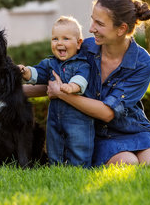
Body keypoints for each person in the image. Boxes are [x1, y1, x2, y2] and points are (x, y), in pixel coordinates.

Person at [23, 0, 150, 166]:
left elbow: (107, 112)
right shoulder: (84, 48)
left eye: (99, 23)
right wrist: (6, 92)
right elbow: (55, 81)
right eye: (92, 20)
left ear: (121, 29)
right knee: (128, 163)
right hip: (95, 132)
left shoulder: (143, 63)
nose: (91, 28)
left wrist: (62, 94)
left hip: (134, 129)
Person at [18, 16, 94, 167]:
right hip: (54, 118)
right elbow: (38, 73)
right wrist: (25, 71)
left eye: (66, 39)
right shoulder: (50, 63)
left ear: (79, 43)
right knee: (54, 144)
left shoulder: (82, 64)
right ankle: (56, 167)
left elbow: (82, 79)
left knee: (79, 145)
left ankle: (79, 167)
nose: (59, 43)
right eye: (55, 39)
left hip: (78, 120)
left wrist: (71, 87)